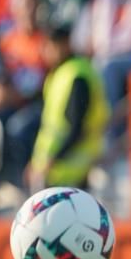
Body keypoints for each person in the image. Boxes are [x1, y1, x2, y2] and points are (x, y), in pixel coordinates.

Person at [26, 28, 109, 191]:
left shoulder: (78, 76)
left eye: (49, 46)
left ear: (64, 45)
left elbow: (77, 127)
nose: (45, 52)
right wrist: (38, 163)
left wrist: (53, 159)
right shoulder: (58, 75)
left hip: (74, 172)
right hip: (55, 171)